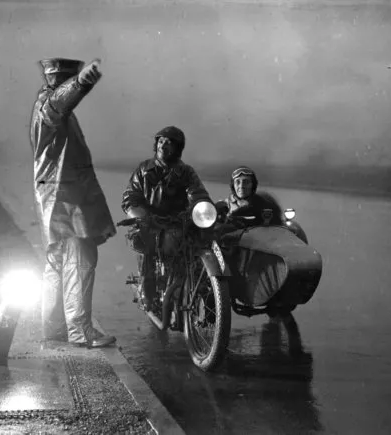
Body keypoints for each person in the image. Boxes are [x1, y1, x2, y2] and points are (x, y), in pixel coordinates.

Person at [30, 57, 116, 348]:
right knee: (81, 260)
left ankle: (53, 329)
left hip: (56, 198)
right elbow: (60, 103)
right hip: (67, 200)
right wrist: (81, 83)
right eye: (68, 80)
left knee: (56, 263)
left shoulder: (47, 109)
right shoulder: (50, 106)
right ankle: (80, 331)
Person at [121, 126, 211, 310]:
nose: (164, 145)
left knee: (199, 244)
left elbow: (198, 194)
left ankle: (204, 292)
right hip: (150, 221)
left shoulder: (186, 172)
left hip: (178, 221)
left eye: (169, 142)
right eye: (161, 141)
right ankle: (148, 293)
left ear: (178, 147)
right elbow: (130, 197)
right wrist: (142, 216)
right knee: (147, 245)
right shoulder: (144, 169)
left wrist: (200, 208)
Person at [215, 166, 284, 227]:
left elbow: (277, 230)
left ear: (253, 185)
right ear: (233, 186)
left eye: (246, 182)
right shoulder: (223, 206)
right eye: (237, 182)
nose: (241, 186)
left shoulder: (265, 205)